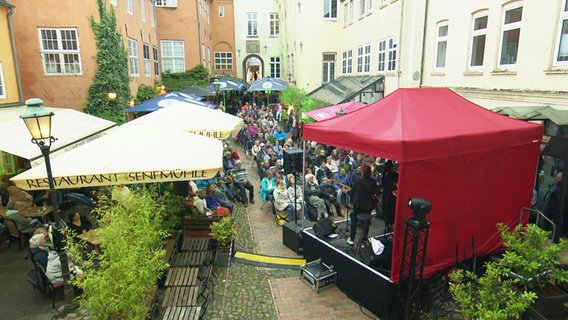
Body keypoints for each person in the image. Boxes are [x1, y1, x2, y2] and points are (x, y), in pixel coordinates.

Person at [348, 164, 378, 245]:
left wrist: (347, 191)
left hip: (358, 205)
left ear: (362, 171)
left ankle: (351, 238)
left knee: (354, 220)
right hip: (368, 206)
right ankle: (364, 240)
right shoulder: (373, 181)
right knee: (366, 223)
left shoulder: (358, 181)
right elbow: (377, 192)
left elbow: (351, 192)